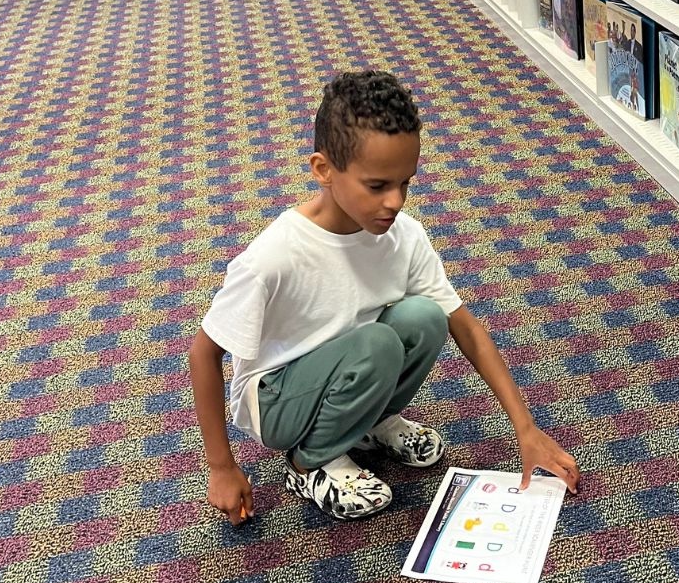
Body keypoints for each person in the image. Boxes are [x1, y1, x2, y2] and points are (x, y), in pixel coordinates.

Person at [189, 70, 581, 525]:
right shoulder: (273, 257)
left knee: (425, 317)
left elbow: (466, 329)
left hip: (349, 364)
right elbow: (204, 354)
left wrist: (526, 429)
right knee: (377, 345)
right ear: (323, 170)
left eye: (405, 183)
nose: (395, 201)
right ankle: (309, 462)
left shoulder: (404, 236)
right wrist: (221, 466)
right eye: (377, 186)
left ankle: (366, 424)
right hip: (276, 399)